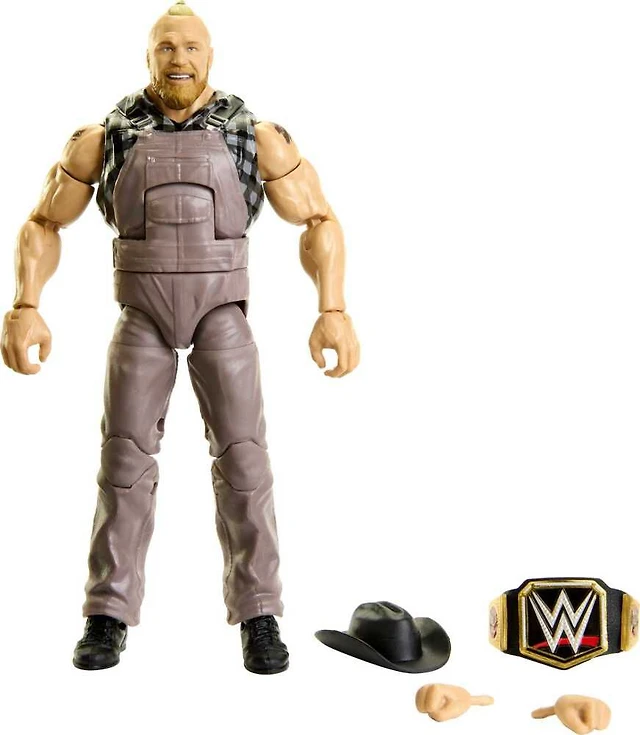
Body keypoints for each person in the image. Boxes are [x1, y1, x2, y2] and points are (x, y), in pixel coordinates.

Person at [1, 0, 359, 674]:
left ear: (210, 56)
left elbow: (319, 218)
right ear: (149, 55)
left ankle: (259, 614)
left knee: (245, 461)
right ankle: (107, 614)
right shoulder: (106, 136)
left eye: (191, 46)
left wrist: (332, 308)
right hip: (141, 312)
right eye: (166, 46)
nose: (179, 58)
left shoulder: (253, 135)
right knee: (123, 463)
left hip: (222, 309)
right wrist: (25, 303)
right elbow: (43, 222)